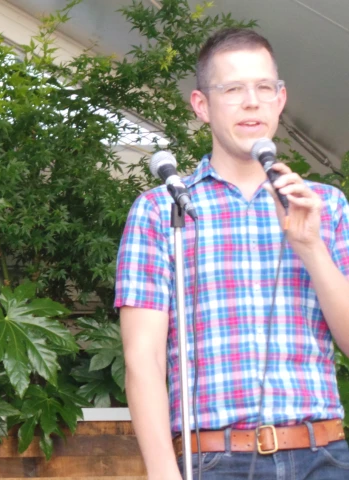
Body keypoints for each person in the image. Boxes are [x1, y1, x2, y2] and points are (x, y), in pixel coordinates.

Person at [116, 28, 349, 479]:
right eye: (233, 89)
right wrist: (165, 474)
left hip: (322, 454)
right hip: (214, 461)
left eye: (264, 87)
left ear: (281, 100)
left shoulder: (326, 205)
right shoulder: (160, 209)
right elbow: (142, 359)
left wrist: (311, 246)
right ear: (202, 105)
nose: (252, 102)